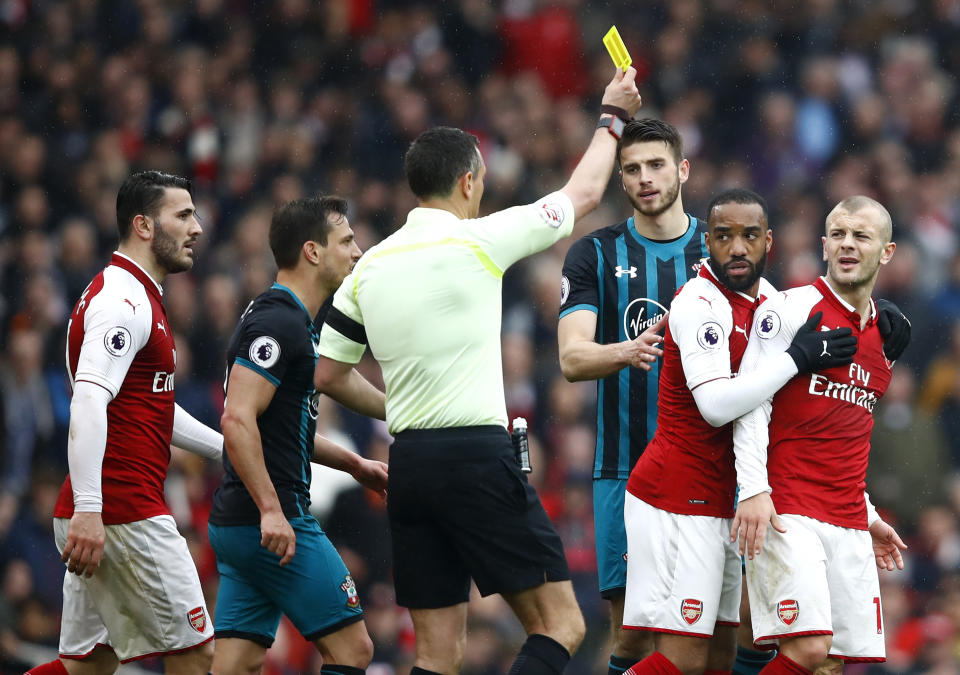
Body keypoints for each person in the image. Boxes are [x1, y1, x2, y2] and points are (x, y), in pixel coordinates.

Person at [313, 67, 644, 675]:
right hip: (476, 459)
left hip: (407, 463)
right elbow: (586, 194)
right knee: (563, 624)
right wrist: (612, 117)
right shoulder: (479, 240)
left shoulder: (368, 268)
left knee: (438, 654)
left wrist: (403, 408)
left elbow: (329, 374)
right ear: (468, 182)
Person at [620, 188, 860, 675]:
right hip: (677, 497)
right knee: (682, 660)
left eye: (749, 236)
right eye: (724, 236)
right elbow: (714, 406)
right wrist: (797, 358)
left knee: (720, 656)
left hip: (725, 502)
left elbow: (832, 305)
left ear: (768, 241)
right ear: (706, 241)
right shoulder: (698, 304)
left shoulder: (771, 301)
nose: (736, 248)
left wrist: (881, 315)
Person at [30, 171, 225, 675]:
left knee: (87, 667)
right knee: (197, 652)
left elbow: (155, 411)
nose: (196, 227)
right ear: (142, 225)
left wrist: (229, 449)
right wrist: (92, 512)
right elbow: (89, 402)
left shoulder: (135, 293)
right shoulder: (124, 301)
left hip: (101, 508)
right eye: (183, 215)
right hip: (119, 512)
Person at [207, 196, 389, 675]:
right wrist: (272, 511)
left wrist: (354, 464)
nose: (357, 251)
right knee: (354, 651)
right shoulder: (277, 322)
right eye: (346, 240)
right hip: (272, 520)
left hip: (240, 524)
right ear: (312, 251)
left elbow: (281, 431)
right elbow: (237, 420)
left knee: (235, 664)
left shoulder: (292, 321)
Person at [730, 196, 909, 675]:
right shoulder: (788, 310)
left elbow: (845, 434)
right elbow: (749, 403)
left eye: (862, 236)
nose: (848, 245)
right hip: (789, 507)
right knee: (808, 648)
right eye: (839, 235)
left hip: (848, 516)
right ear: (824, 244)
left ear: (886, 252)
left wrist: (867, 514)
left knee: (831, 664)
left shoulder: (886, 337)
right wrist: (753, 489)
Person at [557, 117, 708, 675]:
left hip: (711, 470)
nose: (645, 178)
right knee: (634, 637)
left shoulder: (721, 250)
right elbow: (572, 359)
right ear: (621, 180)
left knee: (718, 631)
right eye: (633, 169)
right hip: (625, 468)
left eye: (656, 165)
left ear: (682, 170)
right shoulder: (593, 253)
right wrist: (628, 349)